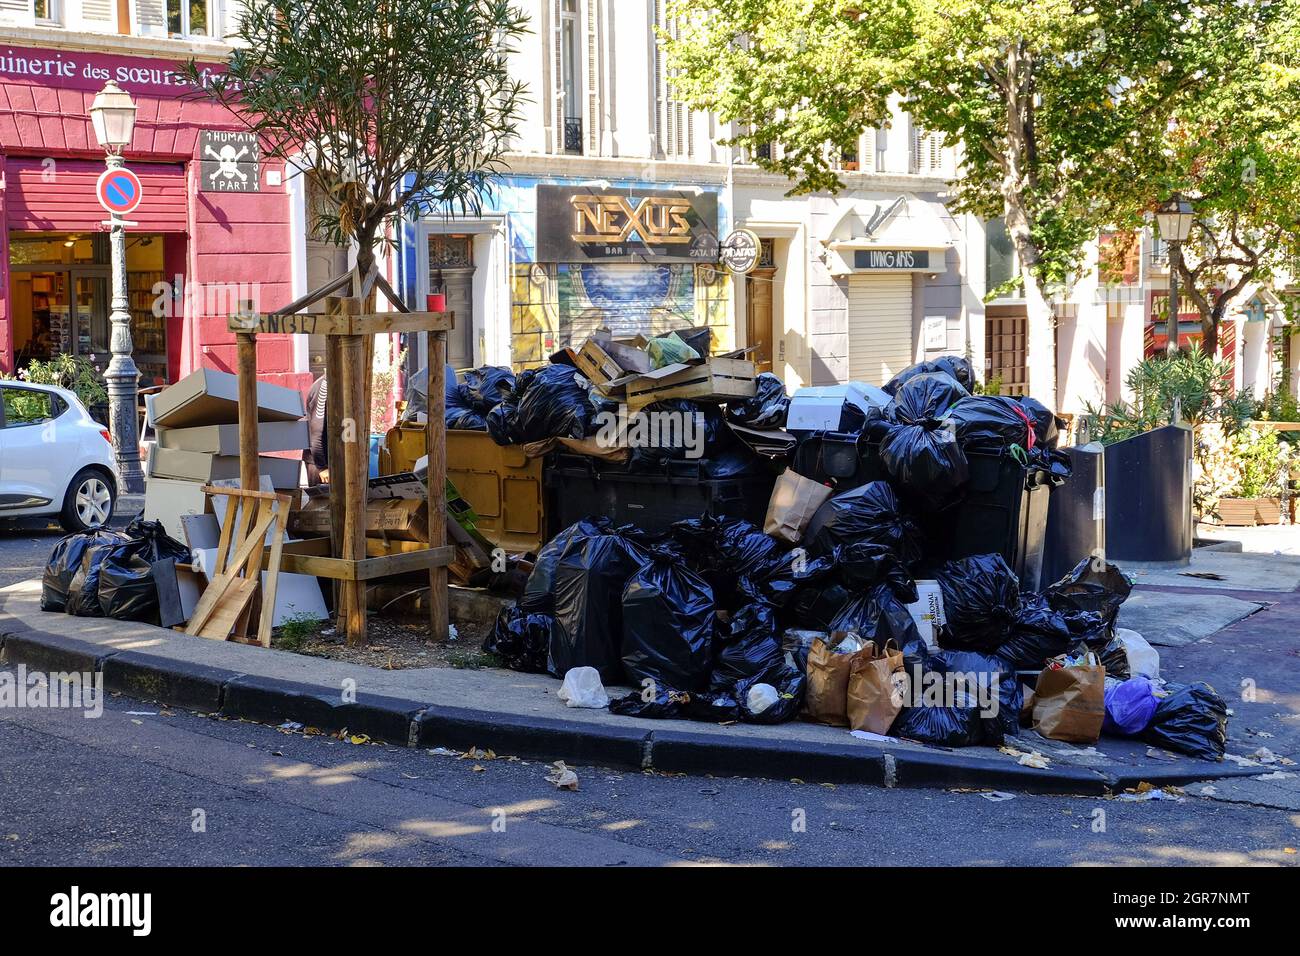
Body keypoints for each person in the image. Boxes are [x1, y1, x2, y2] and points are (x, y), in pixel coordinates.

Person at [303, 373, 329, 485]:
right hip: (320, 464)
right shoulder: (323, 387)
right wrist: (322, 467)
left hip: (333, 461)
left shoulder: (340, 386)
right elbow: (315, 433)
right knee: (321, 502)